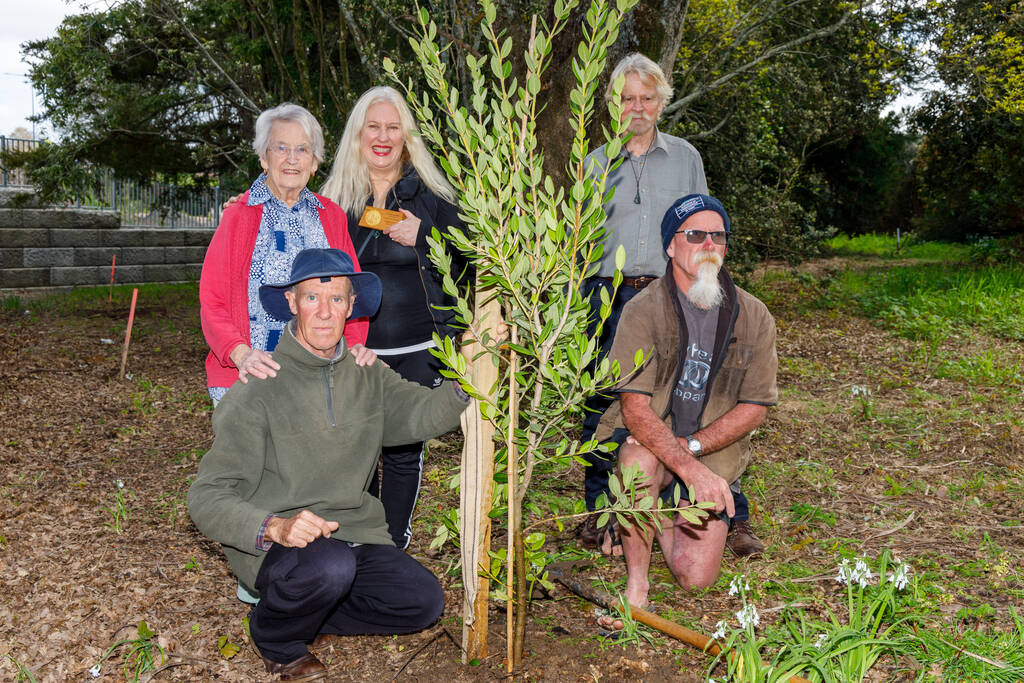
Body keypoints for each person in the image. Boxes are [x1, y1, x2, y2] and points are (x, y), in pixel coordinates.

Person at [188, 248, 470, 681]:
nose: (324, 312)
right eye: (311, 298)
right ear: (292, 302)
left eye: (336, 299)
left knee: (422, 601)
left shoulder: (367, 372)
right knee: (329, 566)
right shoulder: (258, 387)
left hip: (354, 535)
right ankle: (275, 637)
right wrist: (274, 527)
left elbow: (421, 413)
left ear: (351, 306)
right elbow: (206, 496)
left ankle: (309, 612)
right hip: (283, 545)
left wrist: (468, 377)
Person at [578, 54, 763, 558]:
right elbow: (575, 239)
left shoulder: (685, 158)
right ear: (612, 104)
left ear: (662, 102)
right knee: (602, 399)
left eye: (647, 98)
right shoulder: (593, 163)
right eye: (627, 98)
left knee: (703, 392)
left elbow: (704, 230)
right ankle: (605, 513)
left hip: (672, 293)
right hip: (607, 295)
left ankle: (730, 512)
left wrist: (708, 285)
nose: (637, 108)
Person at [593, 194, 777, 619]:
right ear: (671, 246)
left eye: (718, 236)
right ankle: (637, 584)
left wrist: (692, 451)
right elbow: (635, 410)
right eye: (695, 235)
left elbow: (755, 407)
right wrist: (687, 468)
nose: (709, 244)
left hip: (710, 448)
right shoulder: (642, 309)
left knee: (696, 578)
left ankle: (647, 512)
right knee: (638, 463)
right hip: (649, 440)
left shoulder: (754, 315)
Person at [319, 86, 470, 549]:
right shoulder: (334, 200)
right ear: (358, 134)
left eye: (393, 128)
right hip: (354, 350)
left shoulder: (432, 196)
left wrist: (426, 234)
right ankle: (360, 540)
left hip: (420, 349)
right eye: (374, 127)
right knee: (357, 449)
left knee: (403, 450)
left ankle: (391, 545)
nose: (383, 137)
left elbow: (473, 259)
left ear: (406, 137)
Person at [200, 102, 373, 406]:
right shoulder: (238, 216)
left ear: (315, 162)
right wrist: (240, 354)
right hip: (249, 378)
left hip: (319, 380)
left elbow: (352, 292)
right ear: (263, 157)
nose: (292, 158)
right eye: (281, 148)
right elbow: (212, 300)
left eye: (302, 150)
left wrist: (355, 346)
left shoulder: (331, 216)